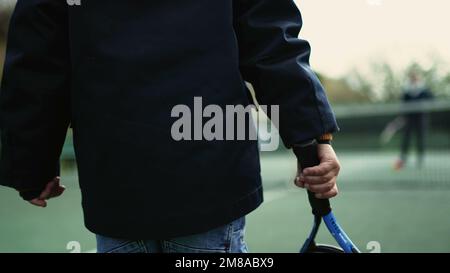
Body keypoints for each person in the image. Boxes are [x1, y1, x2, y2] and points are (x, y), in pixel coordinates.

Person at [0, 0, 340, 253]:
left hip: (117, 181)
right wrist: (311, 137)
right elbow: (271, 42)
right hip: (210, 174)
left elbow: (37, 63)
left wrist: (30, 165)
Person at [394, 70, 433, 170]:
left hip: (421, 118)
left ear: (419, 79)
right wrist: (402, 117)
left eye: (415, 78)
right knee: (406, 139)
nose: (414, 80)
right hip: (409, 119)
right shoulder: (406, 92)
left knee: (421, 138)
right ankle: (403, 159)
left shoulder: (424, 91)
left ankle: (421, 158)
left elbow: (432, 100)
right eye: (412, 78)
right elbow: (402, 105)